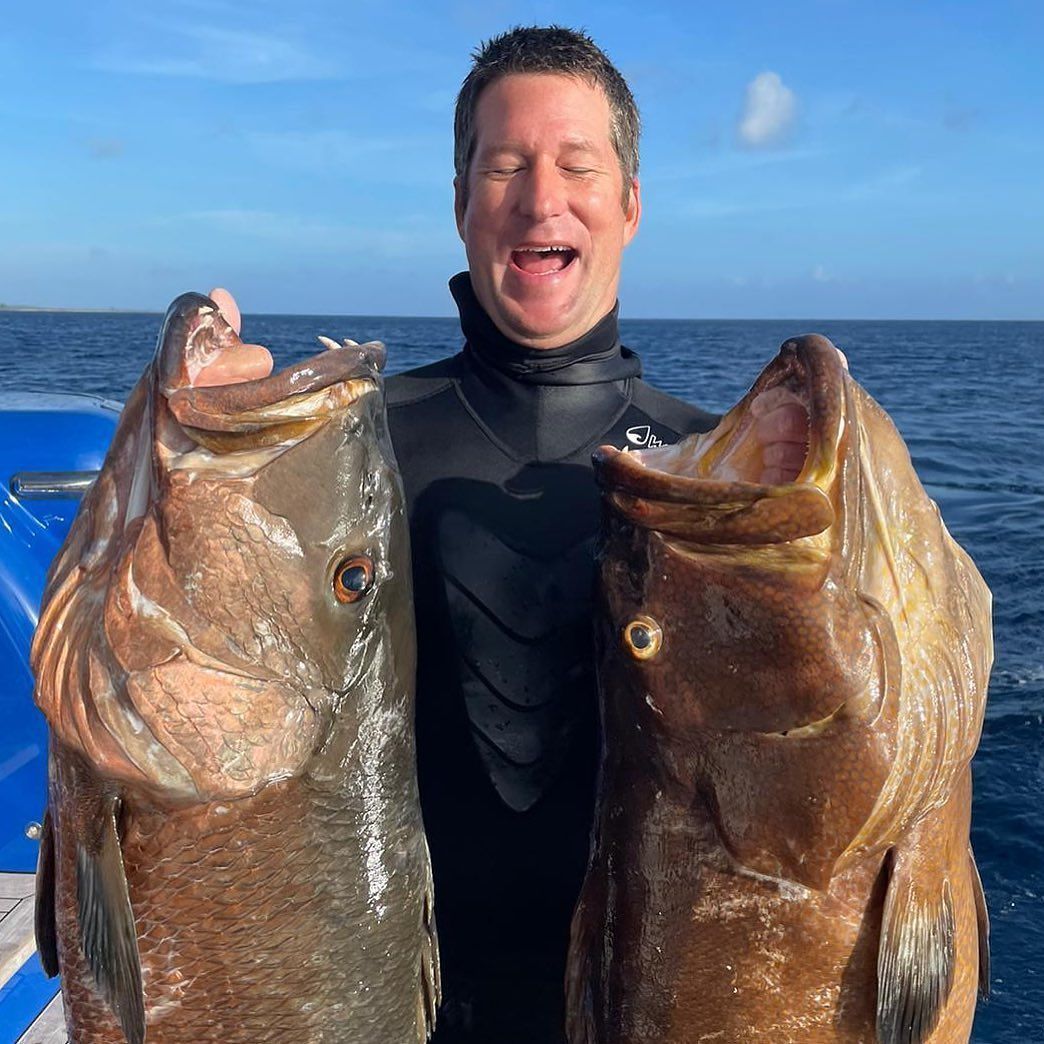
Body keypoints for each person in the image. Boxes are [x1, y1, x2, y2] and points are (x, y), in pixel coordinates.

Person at [204, 25, 812, 1043]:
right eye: (503, 166)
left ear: (630, 205)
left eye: (579, 165)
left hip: (664, 1002)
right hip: (381, 1002)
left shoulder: (718, 478)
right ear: (460, 206)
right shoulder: (341, 457)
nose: (541, 199)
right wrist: (211, 470)